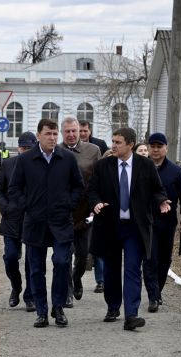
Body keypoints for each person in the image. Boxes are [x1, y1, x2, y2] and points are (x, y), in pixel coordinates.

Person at [87, 127, 170, 331]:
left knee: (133, 269)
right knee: (112, 270)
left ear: (130, 145)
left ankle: (131, 315)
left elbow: (157, 189)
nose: (113, 145)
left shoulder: (145, 165)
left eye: (118, 142)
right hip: (110, 225)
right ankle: (113, 306)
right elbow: (92, 191)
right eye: (113, 141)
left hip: (135, 227)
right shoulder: (103, 166)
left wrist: (161, 202)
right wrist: (96, 203)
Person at [9, 119, 84, 328]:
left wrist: (68, 204)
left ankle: (58, 307)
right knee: (36, 269)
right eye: (48, 134)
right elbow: (14, 189)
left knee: (61, 263)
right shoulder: (25, 160)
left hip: (61, 222)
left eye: (55, 134)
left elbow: (78, 186)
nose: (52, 138)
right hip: (35, 222)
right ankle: (41, 312)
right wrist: (28, 206)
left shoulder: (67, 158)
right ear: (39, 135)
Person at [143, 132, 181, 312]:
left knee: (164, 259)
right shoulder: (141, 167)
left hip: (167, 222)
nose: (155, 150)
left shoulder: (175, 171)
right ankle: (153, 297)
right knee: (150, 259)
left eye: (159, 146)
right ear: (148, 148)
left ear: (166, 148)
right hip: (146, 222)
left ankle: (158, 291)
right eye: (152, 146)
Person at [0, 132, 38, 312]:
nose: (26, 151)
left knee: (31, 261)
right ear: (19, 148)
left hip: (32, 219)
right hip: (12, 220)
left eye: (30, 148)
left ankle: (30, 296)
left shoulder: (39, 166)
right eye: (23, 148)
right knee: (11, 257)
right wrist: (6, 208)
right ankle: (16, 286)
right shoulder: (8, 164)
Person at [59, 117, 101, 307]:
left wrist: (98, 205)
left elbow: (100, 179)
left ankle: (77, 279)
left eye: (74, 131)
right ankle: (67, 291)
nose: (71, 134)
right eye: (67, 131)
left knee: (83, 255)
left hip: (85, 212)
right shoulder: (56, 150)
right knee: (64, 256)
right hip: (63, 213)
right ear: (62, 132)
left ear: (81, 131)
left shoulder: (93, 151)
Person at [78, 120, 107, 292]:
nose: (82, 134)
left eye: (84, 130)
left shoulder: (99, 146)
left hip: (95, 201)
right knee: (81, 247)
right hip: (78, 204)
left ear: (90, 131)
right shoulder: (68, 149)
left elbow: (102, 172)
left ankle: (101, 280)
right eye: (79, 130)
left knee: (98, 243)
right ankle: (77, 274)